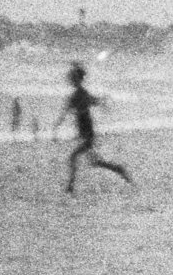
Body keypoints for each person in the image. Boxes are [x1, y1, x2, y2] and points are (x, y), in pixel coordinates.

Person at [52, 62, 132, 195]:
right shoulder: (80, 94)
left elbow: (66, 112)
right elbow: (93, 102)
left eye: (72, 78)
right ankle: (119, 169)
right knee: (95, 162)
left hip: (87, 132)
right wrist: (103, 101)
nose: (70, 80)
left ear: (77, 79)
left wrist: (56, 128)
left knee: (74, 157)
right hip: (85, 132)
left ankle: (70, 187)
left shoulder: (79, 95)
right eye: (71, 78)